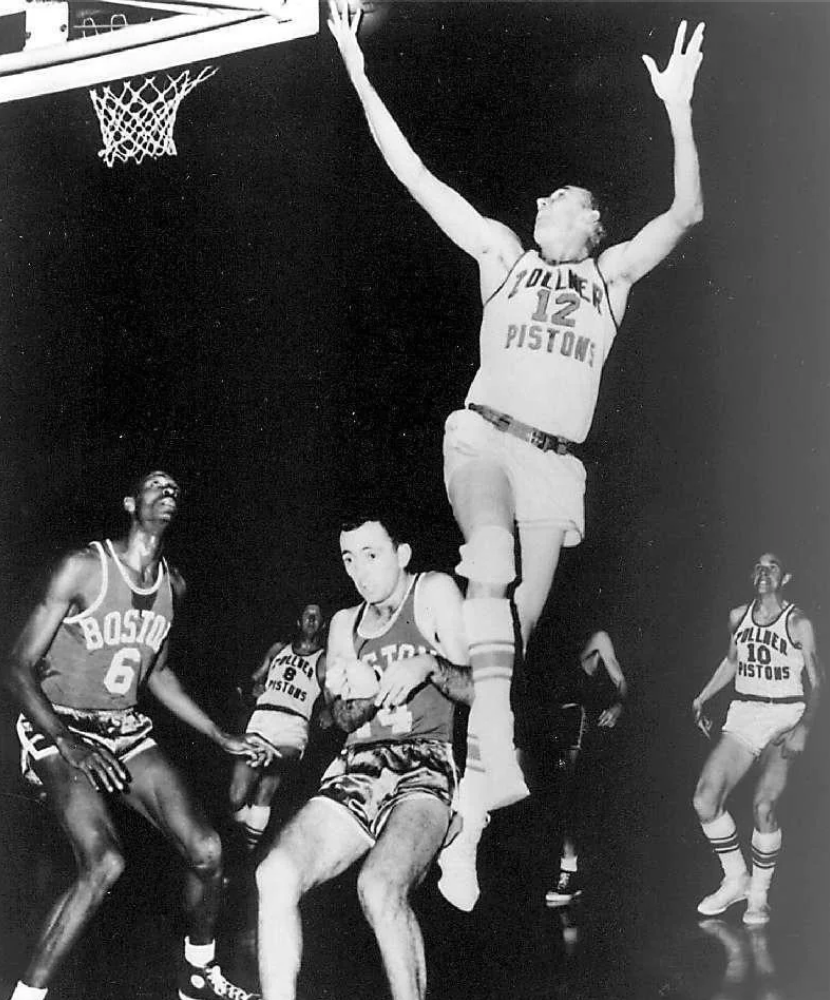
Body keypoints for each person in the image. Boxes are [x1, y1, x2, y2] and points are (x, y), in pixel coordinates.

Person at [328, 1, 705, 812]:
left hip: (554, 467)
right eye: (542, 197)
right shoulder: (502, 255)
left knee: (508, 647)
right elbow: (417, 178)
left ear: (595, 225)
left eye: (563, 198)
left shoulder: (611, 279)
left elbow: (685, 214)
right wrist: (360, 77)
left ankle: (468, 815)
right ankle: (482, 761)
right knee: (490, 564)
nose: (545, 202)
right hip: (485, 442)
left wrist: (676, 111)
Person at [5, 471, 273, 1000]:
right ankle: (25, 995)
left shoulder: (173, 585)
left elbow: (157, 674)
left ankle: (198, 975)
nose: (168, 491)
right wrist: (64, 740)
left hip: (124, 729)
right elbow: (16, 665)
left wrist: (220, 734)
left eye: (175, 487)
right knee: (104, 862)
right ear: (131, 502)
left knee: (208, 850)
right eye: (155, 484)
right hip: (59, 724)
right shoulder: (82, 569)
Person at [256, 512, 472, 1000]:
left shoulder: (433, 591)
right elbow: (344, 720)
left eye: (372, 555)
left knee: (378, 887)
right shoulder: (342, 623)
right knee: (274, 874)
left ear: (402, 554)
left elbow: (481, 687)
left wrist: (428, 665)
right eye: (349, 559)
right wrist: (367, 692)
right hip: (359, 766)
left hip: (425, 762)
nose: (359, 571)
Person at [692, 552, 823, 926]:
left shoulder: (798, 622)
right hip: (746, 712)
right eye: (759, 567)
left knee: (763, 806)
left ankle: (760, 898)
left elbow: (818, 684)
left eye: (773, 567)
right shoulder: (738, 617)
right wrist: (701, 697)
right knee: (704, 800)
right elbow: (732, 663)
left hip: (785, 716)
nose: (764, 572)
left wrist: (803, 729)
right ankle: (736, 878)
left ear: (785, 577)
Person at [535, 630, 628, 906]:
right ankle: (560, 867)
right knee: (546, 798)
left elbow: (621, 680)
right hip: (542, 722)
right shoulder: (538, 623)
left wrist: (618, 706)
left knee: (565, 795)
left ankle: (569, 872)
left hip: (570, 724)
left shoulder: (597, 638)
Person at [229, 603, 327, 852]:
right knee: (236, 796)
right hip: (262, 720)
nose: (312, 619)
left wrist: (330, 713)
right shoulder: (278, 650)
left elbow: (335, 698)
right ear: (299, 621)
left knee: (266, 787)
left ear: (323, 625)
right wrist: (253, 688)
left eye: (317, 617)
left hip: (292, 726)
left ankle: (245, 856)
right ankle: (244, 842)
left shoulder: (324, 660)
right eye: (308, 614)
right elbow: (251, 682)